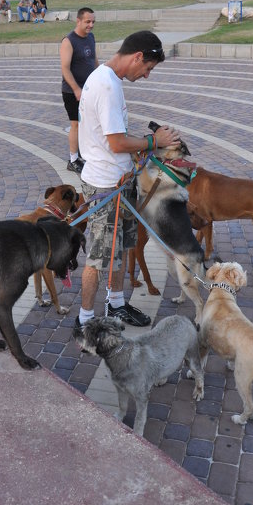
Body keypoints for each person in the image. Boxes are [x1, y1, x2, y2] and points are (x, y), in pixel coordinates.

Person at [76, 30, 181, 329]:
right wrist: (153, 141)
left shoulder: (107, 79)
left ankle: (116, 305)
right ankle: (84, 322)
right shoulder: (107, 86)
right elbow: (117, 142)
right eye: (147, 69)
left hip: (118, 180)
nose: (147, 76)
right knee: (99, 259)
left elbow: (112, 140)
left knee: (120, 249)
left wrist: (134, 157)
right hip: (105, 185)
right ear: (137, 57)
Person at [60, 7, 98, 174]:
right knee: (75, 124)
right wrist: (76, 89)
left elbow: (94, 60)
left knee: (88, 124)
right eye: (87, 22)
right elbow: (65, 68)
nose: (91, 25)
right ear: (78, 21)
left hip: (89, 90)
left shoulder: (91, 38)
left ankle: (85, 154)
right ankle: (73, 159)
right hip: (72, 91)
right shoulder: (68, 41)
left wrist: (102, 77)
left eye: (93, 22)